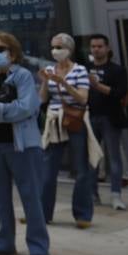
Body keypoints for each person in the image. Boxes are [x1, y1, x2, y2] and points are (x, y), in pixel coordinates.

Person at [0, 32, 50, 255]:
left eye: (0, 49)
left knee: (31, 198)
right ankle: (5, 242)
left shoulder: (23, 77)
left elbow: (27, 108)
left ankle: (38, 247)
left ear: (13, 52)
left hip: (22, 147)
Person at [39, 32, 99, 228]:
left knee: (81, 169)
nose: (55, 51)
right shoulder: (50, 69)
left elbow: (83, 98)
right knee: (48, 169)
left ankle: (82, 214)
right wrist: (44, 82)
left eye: (59, 47)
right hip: (55, 120)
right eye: (53, 47)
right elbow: (42, 99)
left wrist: (63, 82)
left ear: (69, 49)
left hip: (75, 120)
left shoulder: (80, 70)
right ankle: (43, 212)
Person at [87, 34, 128, 211]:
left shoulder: (116, 70)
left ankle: (116, 194)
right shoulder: (85, 68)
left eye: (99, 46)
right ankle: (92, 194)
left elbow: (120, 93)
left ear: (107, 48)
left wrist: (98, 86)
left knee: (114, 157)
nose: (96, 49)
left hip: (110, 117)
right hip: (90, 116)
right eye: (93, 46)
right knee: (92, 158)